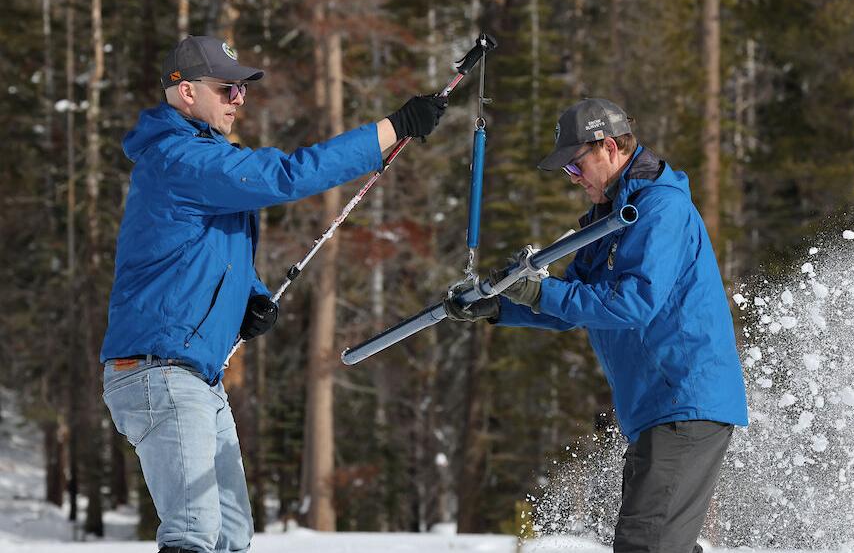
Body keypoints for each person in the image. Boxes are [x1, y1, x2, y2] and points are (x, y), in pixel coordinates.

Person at [99, 35, 446, 553]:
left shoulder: (199, 159)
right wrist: (390, 130)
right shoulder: (178, 159)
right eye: (227, 89)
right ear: (186, 92)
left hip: (195, 375)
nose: (238, 99)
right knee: (193, 532)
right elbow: (286, 176)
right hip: (159, 372)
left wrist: (250, 295)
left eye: (242, 89)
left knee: (231, 535)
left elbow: (208, 250)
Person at [445, 98, 748, 553]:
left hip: (685, 399)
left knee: (644, 545)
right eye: (568, 171)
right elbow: (573, 305)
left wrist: (540, 292)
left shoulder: (661, 210)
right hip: (655, 407)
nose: (574, 179)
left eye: (576, 165)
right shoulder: (607, 221)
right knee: (656, 543)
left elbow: (633, 304)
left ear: (609, 146)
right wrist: (497, 308)